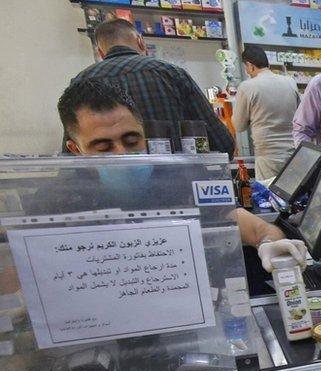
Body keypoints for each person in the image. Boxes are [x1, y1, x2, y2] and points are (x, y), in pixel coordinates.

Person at [57, 78, 304, 270]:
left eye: (131, 140)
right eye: (103, 147)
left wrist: (270, 244)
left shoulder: (180, 182)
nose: (122, 153)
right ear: (75, 150)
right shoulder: (60, 202)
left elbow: (257, 229)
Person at [69, 18, 234, 156]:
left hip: (108, 191)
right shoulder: (171, 74)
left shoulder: (81, 83)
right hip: (178, 181)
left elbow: (72, 156)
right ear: (141, 42)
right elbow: (221, 143)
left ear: (101, 52)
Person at [233, 45, 301, 181]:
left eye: (246, 68)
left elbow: (239, 126)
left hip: (267, 156)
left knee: (270, 197)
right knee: (293, 194)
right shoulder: (290, 82)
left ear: (250, 65)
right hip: (293, 152)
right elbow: (300, 115)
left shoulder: (247, 87)